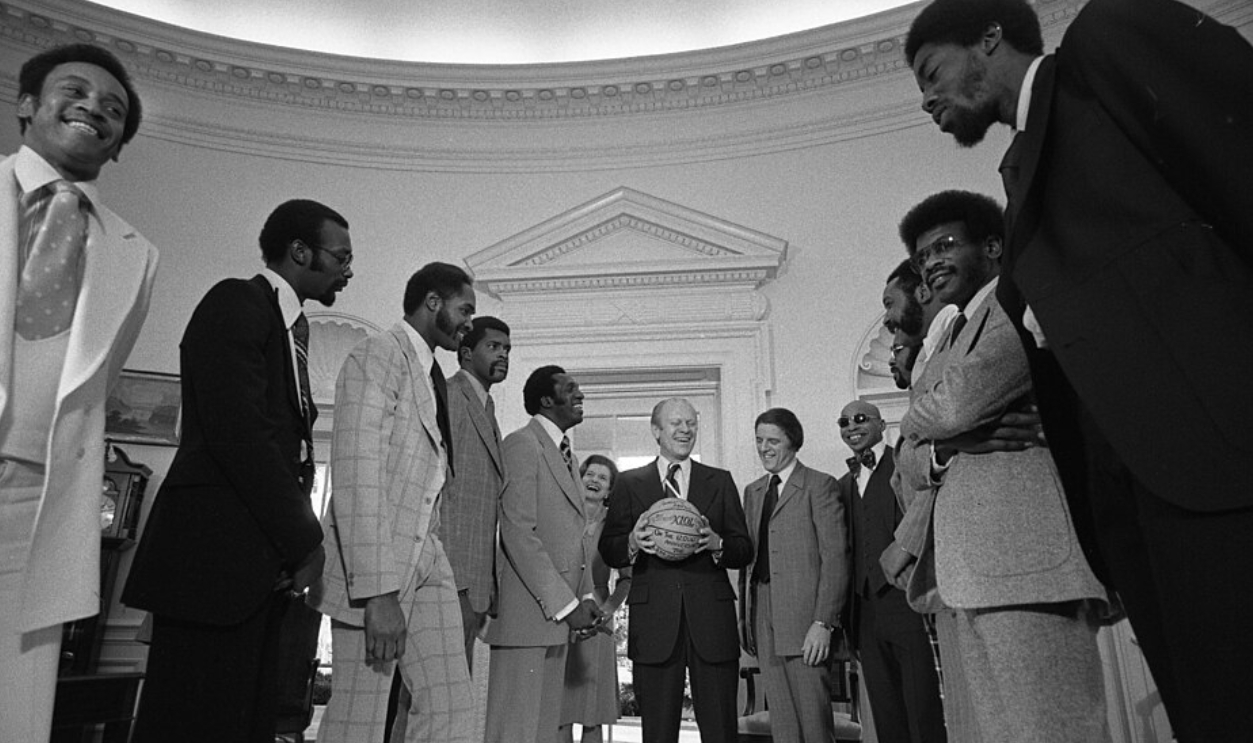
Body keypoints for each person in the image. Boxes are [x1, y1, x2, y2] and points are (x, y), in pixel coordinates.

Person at [906, 1, 1253, 738]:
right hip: (1133, 494)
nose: (926, 100)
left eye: (932, 72)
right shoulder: (1020, 170)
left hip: (1218, 451)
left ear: (990, 37)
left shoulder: (1104, 48)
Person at [123, 199, 351, 742]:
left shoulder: (292, 327)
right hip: (212, 565)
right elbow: (240, 436)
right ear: (300, 251)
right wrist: (306, 540)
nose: (348, 270)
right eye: (340, 256)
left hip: (254, 570)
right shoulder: (236, 302)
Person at [887, 190, 1111, 742]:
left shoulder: (1014, 304)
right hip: (969, 571)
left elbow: (954, 404)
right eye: (922, 257)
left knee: (1053, 731)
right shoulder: (954, 333)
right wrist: (947, 444)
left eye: (946, 245)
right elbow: (908, 465)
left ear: (991, 248)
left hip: (1026, 558)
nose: (933, 262)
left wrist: (933, 418)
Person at [0, 42, 156, 743]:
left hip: (41, 496)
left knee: (16, 698)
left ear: (118, 144)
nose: (95, 106)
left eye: (115, 109)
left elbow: (94, 382)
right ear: (28, 102)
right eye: (75, 90)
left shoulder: (137, 253)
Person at [311, 262, 476, 742]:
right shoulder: (377, 355)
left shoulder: (431, 373)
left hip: (427, 556)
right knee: (358, 719)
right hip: (373, 567)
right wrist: (378, 594)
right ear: (432, 303)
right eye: (464, 309)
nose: (468, 322)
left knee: (451, 705)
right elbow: (358, 477)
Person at [599, 397, 752, 743]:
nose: (685, 430)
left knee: (720, 731)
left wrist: (718, 544)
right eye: (676, 423)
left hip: (711, 622)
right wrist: (632, 542)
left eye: (691, 423)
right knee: (657, 732)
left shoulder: (720, 480)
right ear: (656, 430)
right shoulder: (628, 482)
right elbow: (609, 549)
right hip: (654, 622)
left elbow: (744, 549)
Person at [484, 365, 603, 743]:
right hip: (527, 620)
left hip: (555, 622)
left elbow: (574, 536)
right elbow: (518, 533)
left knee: (542, 733)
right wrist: (567, 606)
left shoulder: (565, 452)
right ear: (546, 401)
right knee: (515, 732)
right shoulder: (522, 444)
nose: (579, 395)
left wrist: (585, 596)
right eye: (570, 389)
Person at [836, 400, 946, 743]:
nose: (851, 426)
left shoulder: (905, 466)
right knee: (886, 715)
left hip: (906, 604)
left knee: (923, 708)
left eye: (860, 419)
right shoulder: (842, 485)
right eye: (843, 422)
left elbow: (927, 519)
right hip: (865, 614)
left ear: (882, 424)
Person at [739, 408, 848, 743]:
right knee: (783, 725)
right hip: (763, 616)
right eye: (759, 440)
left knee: (814, 724)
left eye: (773, 440)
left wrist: (823, 622)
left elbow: (836, 559)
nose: (764, 448)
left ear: (793, 441)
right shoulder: (753, 491)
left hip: (806, 621)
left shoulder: (819, 485)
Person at [440, 315, 511, 670]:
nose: (503, 356)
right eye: (493, 347)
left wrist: (490, 581)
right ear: (466, 353)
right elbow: (443, 493)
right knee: (427, 699)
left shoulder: (487, 406)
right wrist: (459, 584)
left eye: (507, 349)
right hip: (451, 581)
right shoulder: (451, 397)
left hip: (475, 583)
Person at [561, 455, 632, 743]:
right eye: (590, 474)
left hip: (597, 620)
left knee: (593, 710)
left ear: (609, 490)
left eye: (603, 478)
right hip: (563, 612)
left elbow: (627, 578)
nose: (594, 480)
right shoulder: (564, 517)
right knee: (560, 709)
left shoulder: (616, 526)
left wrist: (607, 610)